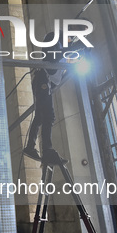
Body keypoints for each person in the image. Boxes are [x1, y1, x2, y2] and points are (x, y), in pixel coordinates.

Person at [23, 32, 69, 165]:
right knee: (49, 116)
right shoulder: (54, 40)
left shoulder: (65, 49)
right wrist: (69, 49)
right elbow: (52, 58)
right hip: (43, 79)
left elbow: (60, 72)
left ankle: (30, 147)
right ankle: (47, 151)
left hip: (47, 82)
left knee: (39, 117)